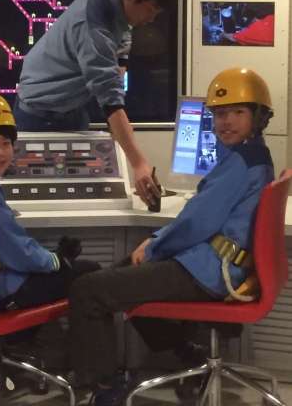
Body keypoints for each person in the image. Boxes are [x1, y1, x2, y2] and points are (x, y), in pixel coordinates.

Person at [67, 68, 274, 406]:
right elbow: (202, 217)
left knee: (88, 289)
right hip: (219, 265)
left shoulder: (240, 164)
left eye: (237, 112)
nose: (226, 122)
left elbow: (195, 223)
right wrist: (158, 241)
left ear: (258, 116)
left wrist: (155, 244)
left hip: (210, 271)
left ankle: (105, 388)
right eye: (220, 114)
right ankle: (186, 355)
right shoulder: (254, 157)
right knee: (123, 273)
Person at [14, 0, 176, 206]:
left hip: (73, 110)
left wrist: (119, 125)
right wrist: (139, 164)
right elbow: (110, 99)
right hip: (37, 115)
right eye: (151, 10)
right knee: (36, 203)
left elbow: (122, 43)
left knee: (81, 200)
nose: (152, 19)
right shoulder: (93, 27)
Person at [0, 91, 99, 311]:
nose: (0, 153)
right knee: (91, 273)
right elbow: (18, 252)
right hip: (3, 290)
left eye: (6, 143)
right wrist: (57, 260)